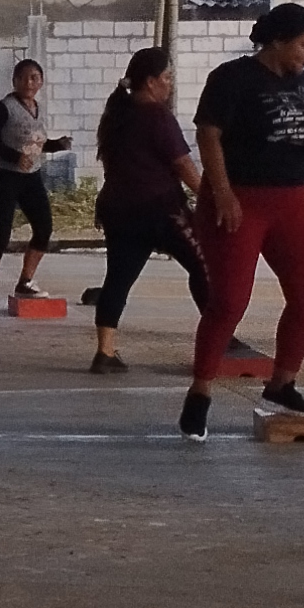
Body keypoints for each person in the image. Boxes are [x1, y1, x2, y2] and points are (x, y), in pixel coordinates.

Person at [184, 5, 304, 440]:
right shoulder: (232, 78)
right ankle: (200, 392)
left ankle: (282, 383)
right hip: (240, 199)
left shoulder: (302, 82)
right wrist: (223, 194)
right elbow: (208, 135)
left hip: (292, 199)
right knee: (229, 301)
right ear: (277, 42)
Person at [86, 46, 210, 376]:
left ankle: (105, 351)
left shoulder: (117, 115)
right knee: (205, 265)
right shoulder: (157, 116)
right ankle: (220, 337)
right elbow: (183, 164)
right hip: (160, 209)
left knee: (117, 279)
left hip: (118, 210)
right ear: (151, 82)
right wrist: (212, 196)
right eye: (167, 77)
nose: (170, 84)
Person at [0, 58, 65, 315]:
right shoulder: (4, 108)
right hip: (4, 176)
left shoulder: (38, 108)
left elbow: (35, 144)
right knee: (1, 236)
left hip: (31, 176)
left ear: (41, 81)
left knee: (44, 228)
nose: (28, 83)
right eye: (23, 78)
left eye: (34, 78)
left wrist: (56, 145)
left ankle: (25, 281)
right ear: (14, 81)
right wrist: (14, 157)